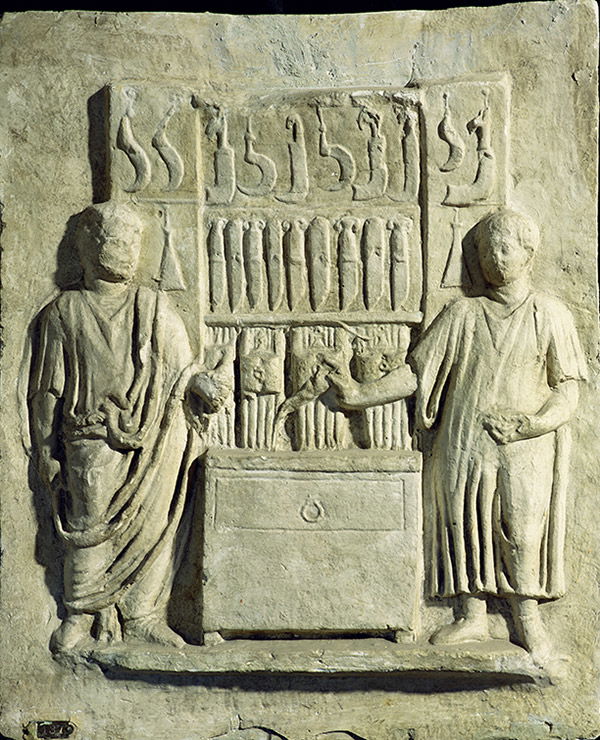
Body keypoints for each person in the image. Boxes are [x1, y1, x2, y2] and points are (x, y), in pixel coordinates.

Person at [330, 208, 587, 667]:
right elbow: (416, 371)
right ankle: (472, 614)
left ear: (529, 254)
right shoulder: (463, 313)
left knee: (521, 529)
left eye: (505, 248)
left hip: (523, 445)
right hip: (464, 440)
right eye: (488, 250)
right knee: (464, 522)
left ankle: (526, 616)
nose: (496, 258)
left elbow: (568, 391)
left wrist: (533, 424)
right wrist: (360, 394)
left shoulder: (550, 313)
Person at [29, 202, 229, 653]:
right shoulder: (64, 312)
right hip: (90, 437)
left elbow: (184, 369)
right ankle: (79, 613)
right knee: (88, 521)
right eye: (112, 239)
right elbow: (47, 390)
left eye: (131, 241)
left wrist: (204, 384)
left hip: (156, 436)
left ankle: (143, 614)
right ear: (88, 247)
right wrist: (45, 448)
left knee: (157, 522)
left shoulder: (155, 307)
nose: (124, 249)